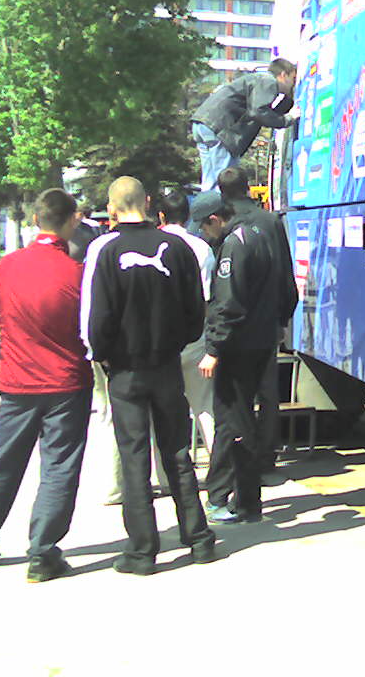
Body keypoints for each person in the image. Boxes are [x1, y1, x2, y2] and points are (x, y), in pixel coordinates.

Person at [83, 177, 216, 574]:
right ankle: (199, 538)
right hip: (166, 365)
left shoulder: (103, 250)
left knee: (135, 455)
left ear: (111, 207)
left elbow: (95, 316)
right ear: (148, 202)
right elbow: (196, 312)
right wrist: (177, 341)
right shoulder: (177, 248)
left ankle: (142, 550)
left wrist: (102, 357)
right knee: (177, 450)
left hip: (124, 369)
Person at [0, 189, 92, 582]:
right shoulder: (76, 273)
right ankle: (43, 552)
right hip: (65, 381)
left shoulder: (7, 267)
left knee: (4, 462)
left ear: (34, 221)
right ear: (71, 221)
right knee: (59, 466)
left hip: (17, 380)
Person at [199, 202, 280, 523]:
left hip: (237, 347)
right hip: (262, 341)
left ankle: (227, 497)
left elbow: (228, 303)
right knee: (241, 423)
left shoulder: (234, 245)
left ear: (215, 220)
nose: (206, 235)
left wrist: (214, 348)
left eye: (205, 228)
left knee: (232, 423)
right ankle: (241, 498)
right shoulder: (262, 236)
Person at [217, 166, 298, 471]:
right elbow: (285, 271)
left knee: (236, 399)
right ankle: (266, 455)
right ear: (248, 187)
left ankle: (242, 458)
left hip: (235, 324)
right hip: (267, 321)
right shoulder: (269, 221)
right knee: (267, 393)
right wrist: (284, 316)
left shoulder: (224, 223)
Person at [158, 190, 216, 454]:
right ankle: (220, 469)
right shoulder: (202, 247)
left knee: (160, 410)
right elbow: (207, 298)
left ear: (161, 215)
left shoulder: (154, 245)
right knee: (205, 405)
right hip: (195, 335)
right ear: (189, 216)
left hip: (162, 339)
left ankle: (165, 476)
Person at [191, 58, 297, 191]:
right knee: (226, 180)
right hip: (221, 129)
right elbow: (258, 112)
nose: (294, 84)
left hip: (203, 123)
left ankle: (208, 208)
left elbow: (266, 114)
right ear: (283, 75)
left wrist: (289, 101)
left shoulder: (256, 79)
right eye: (293, 78)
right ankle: (222, 210)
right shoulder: (268, 81)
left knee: (210, 181)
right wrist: (288, 119)